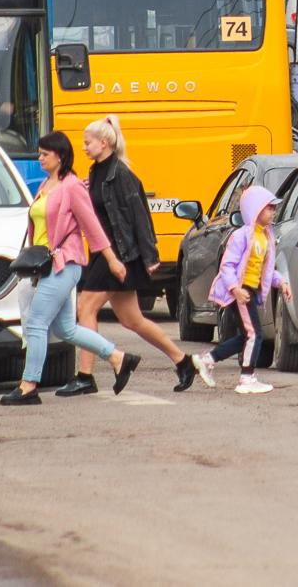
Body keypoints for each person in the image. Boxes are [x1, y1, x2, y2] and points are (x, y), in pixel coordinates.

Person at [0, 132, 142, 406]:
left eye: (45, 154)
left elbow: (92, 226)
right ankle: (118, 358)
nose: (40, 158)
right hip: (46, 266)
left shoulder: (72, 186)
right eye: (39, 153)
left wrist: (112, 260)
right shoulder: (46, 184)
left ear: (61, 156)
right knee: (65, 329)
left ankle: (29, 385)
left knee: (38, 322)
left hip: (66, 263)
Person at [64, 116, 200, 395]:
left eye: (87, 142)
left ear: (104, 143)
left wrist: (151, 257)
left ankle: (85, 376)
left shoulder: (122, 175)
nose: (84, 147)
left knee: (85, 309)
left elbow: (140, 217)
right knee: (132, 320)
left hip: (119, 254)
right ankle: (183, 361)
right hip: (106, 251)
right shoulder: (97, 172)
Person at [204, 184, 292, 395]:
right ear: (255, 209)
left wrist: (282, 282)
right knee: (255, 334)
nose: (273, 212)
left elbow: (267, 271)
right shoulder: (241, 236)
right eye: (268, 207)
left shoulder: (266, 237)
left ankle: (206, 360)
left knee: (246, 335)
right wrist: (235, 289)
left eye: (273, 208)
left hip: (250, 291)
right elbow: (227, 267)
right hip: (241, 291)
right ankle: (246, 377)